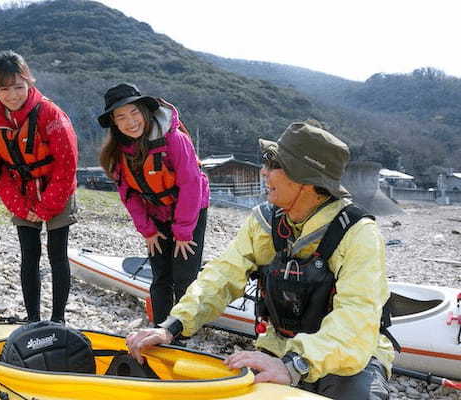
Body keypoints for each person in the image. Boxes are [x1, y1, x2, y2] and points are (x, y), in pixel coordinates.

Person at [126, 122, 395, 399]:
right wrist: (172, 326)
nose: (264, 172)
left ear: (304, 179)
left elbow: (356, 318)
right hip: (279, 348)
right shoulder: (264, 222)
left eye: (274, 164)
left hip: (348, 359)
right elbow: (223, 276)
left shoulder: (358, 233)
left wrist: (294, 366)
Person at [98, 83, 209, 326]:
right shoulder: (118, 153)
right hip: (155, 213)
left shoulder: (175, 139)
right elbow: (128, 194)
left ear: (145, 111)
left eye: (134, 112)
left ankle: (183, 331)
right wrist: (147, 230)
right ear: (114, 123)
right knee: (160, 276)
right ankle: (160, 327)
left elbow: (191, 185)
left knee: (184, 276)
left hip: (190, 211)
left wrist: (182, 232)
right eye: (121, 117)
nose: (130, 122)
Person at [0, 50, 78, 323]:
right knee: (29, 254)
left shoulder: (50, 113)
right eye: (4, 88)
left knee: (57, 254)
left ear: (29, 83)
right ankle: (33, 318)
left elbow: (67, 164)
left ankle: (59, 319)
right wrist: (21, 206)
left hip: (57, 189)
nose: (12, 95)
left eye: (18, 87)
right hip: (20, 192)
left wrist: (47, 206)